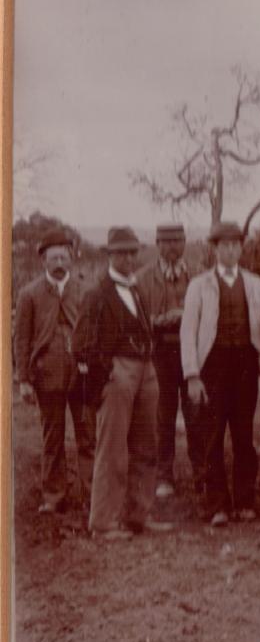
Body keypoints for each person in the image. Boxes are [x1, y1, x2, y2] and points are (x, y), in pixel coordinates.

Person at [179, 221, 260, 526]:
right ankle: (217, 507)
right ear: (214, 250)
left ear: (241, 248)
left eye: (235, 245)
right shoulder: (199, 286)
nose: (230, 250)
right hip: (212, 368)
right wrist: (192, 375)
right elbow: (188, 333)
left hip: (245, 367)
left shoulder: (253, 283)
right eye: (224, 245)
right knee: (212, 438)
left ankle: (245, 502)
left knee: (243, 437)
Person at [75, 226, 169, 539]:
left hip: (144, 369)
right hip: (118, 372)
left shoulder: (136, 289)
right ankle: (102, 522)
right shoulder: (97, 293)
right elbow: (82, 343)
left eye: (132, 252)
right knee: (112, 447)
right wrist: (107, 373)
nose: (128, 258)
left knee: (146, 445)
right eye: (121, 253)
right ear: (110, 255)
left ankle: (136, 515)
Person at [14, 229, 93, 514]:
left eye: (64, 256)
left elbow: (95, 333)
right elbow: (21, 339)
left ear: (71, 259)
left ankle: (93, 495)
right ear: (44, 262)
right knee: (53, 438)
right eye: (53, 258)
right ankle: (54, 496)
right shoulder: (29, 294)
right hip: (47, 376)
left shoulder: (85, 290)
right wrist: (23, 379)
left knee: (87, 434)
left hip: (82, 376)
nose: (59, 262)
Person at [137, 223, 205, 498]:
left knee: (197, 414)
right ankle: (164, 475)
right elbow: (139, 318)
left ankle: (202, 473)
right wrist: (160, 320)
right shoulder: (143, 279)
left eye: (178, 241)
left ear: (185, 243)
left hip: (191, 355)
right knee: (162, 417)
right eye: (166, 242)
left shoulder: (199, 277)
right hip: (160, 355)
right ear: (157, 244)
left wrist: (187, 319)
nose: (173, 247)